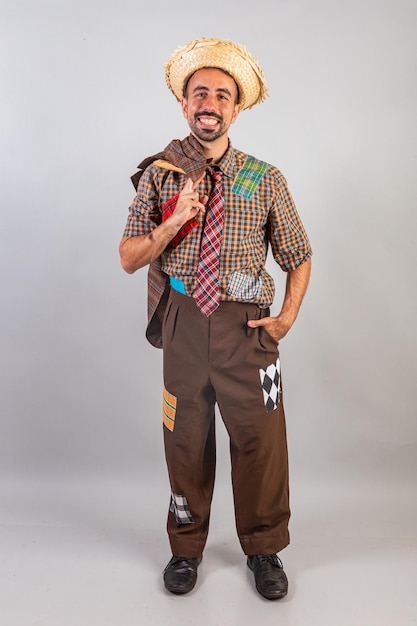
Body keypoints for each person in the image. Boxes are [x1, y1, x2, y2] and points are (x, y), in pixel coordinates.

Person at [119, 38, 312, 601]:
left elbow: (298, 255)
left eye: (221, 95)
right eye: (199, 92)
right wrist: (173, 221)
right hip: (183, 321)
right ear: (184, 104)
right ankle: (185, 549)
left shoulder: (264, 177)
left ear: (236, 108)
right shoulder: (160, 176)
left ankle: (264, 547)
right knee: (184, 438)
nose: (210, 102)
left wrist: (285, 319)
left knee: (260, 438)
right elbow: (129, 258)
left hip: (247, 331)